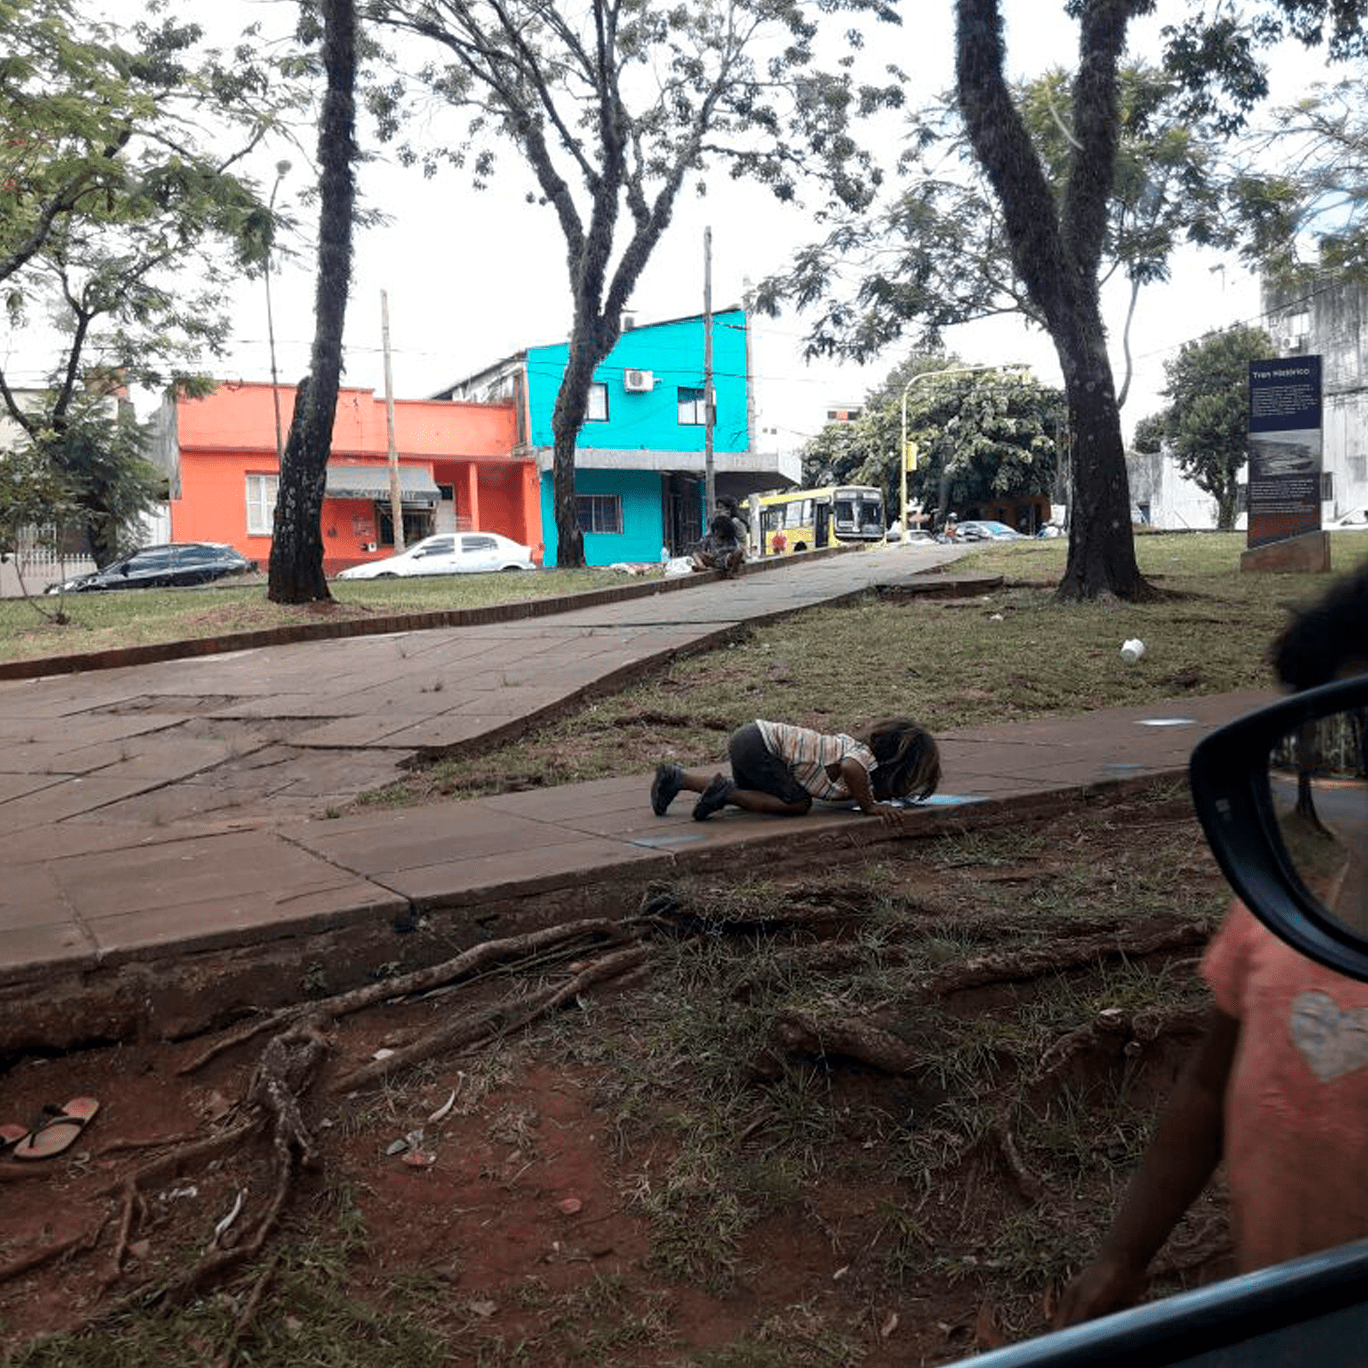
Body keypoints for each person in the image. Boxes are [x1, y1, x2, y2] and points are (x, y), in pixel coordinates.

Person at [1056, 562, 1368, 1327]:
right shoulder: (1281, 902)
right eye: (1355, 746)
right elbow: (1206, 1087)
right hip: (1286, 1320)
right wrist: (1121, 1258)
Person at [650, 717, 940, 823]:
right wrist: (870, 806)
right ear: (894, 765)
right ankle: (724, 793)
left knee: (755, 795)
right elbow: (851, 770)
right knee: (798, 803)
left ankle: (677, 778)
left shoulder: (852, 752)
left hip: (751, 737)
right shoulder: (860, 756)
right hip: (762, 744)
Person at [689, 512, 746, 577]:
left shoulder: (731, 540)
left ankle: (733, 572)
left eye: (720, 530)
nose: (718, 532)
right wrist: (707, 554)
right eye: (717, 530)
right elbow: (708, 550)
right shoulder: (712, 538)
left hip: (727, 559)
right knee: (696, 554)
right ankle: (701, 566)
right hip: (715, 560)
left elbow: (734, 550)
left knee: (740, 552)